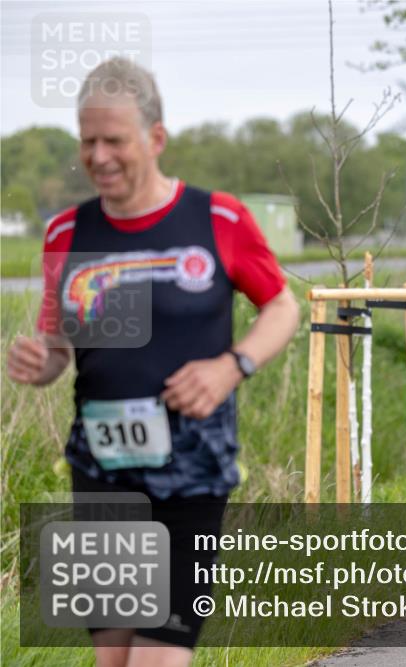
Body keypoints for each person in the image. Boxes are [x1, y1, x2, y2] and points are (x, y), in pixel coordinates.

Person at [5, 58, 300, 666]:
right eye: (88, 140)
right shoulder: (66, 231)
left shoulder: (217, 219)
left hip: (191, 468)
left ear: (155, 138)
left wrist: (231, 367)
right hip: (101, 467)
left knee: (156, 658)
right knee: (114, 659)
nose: (99, 155)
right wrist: (44, 361)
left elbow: (282, 307)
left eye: (114, 139)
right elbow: (60, 344)